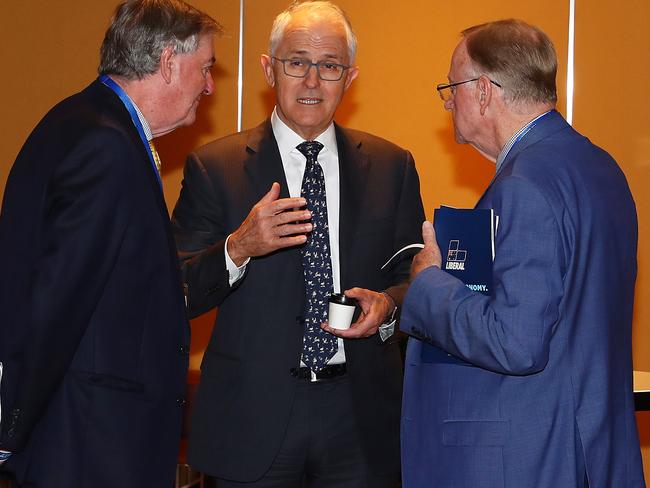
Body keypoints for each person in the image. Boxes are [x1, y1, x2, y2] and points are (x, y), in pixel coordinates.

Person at [171, 1, 424, 486]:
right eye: (297, 62)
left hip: (360, 419)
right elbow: (176, 289)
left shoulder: (392, 166)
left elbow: (414, 275)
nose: (312, 81)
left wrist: (388, 307)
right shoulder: (214, 167)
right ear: (270, 69)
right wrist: (238, 248)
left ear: (349, 78)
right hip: (253, 420)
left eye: (329, 66)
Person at [400, 19, 644, 488]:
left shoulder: (524, 186)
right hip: (591, 447)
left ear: (484, 91)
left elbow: (516, 341)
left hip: (533, 457)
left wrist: (429, 283)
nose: (448, 101)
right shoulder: (600, 167)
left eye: (452, 87)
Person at [0, 1, 221, 486]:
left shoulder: (83, 121)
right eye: (204, 68)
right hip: (89, 443)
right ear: (167, 62)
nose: (209, 85)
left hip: (87, 434)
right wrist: (10, 427)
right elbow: (57, 298)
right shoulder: (107, 145)